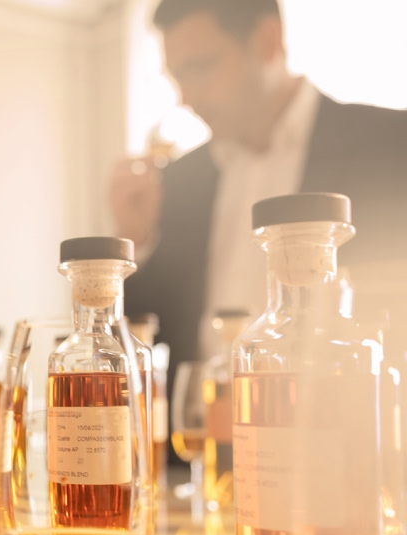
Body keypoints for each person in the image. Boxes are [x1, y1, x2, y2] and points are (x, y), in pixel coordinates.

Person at [111, 0, 407, 371]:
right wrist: (137, 241)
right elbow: (147, 333)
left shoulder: (393, 145)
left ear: (268, 40)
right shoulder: (178, 181)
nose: (186, 98)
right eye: (177, 78)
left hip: (345, 420)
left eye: (200, 68)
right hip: (201, 425)